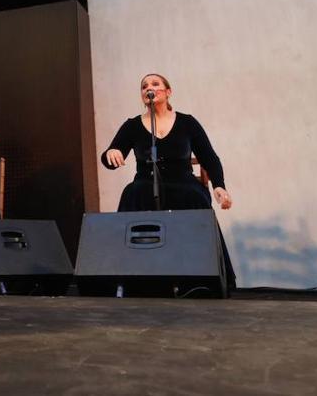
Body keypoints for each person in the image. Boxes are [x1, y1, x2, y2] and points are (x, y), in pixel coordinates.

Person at [101, 73, 236, 288]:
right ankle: (133, 279)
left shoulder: (187, 122)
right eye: (144, 86)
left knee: (194, 196)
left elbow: (209, 158)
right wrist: (111, 153)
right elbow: (110, 157)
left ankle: (202, 280)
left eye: (155, 84)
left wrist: (219, 186)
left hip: (183, 183)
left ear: (168, 92)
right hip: (146, 183)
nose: (148, 88)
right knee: (132, 193)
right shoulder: (132, 125)